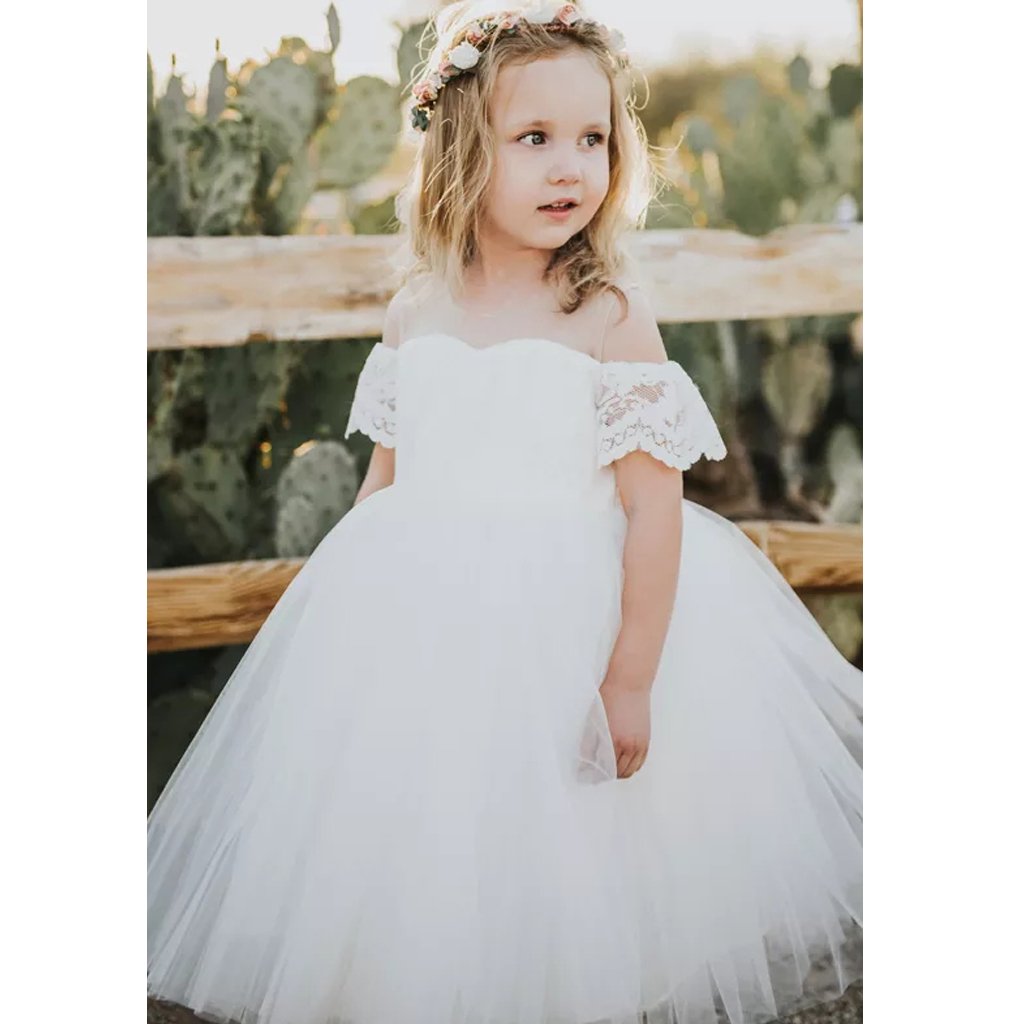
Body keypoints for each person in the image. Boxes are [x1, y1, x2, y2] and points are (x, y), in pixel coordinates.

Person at [147, 3, 863, 1023]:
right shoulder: (415, 310)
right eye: (534, 139)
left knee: (551, 863)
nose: (570, 166)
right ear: (458, 146)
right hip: (421, 625)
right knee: (420, 848)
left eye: (593, 139)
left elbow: (654, 513)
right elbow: (382, 485)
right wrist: (348, 627)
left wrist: (627, 677)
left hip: (562, 631)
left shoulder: (608, 315)